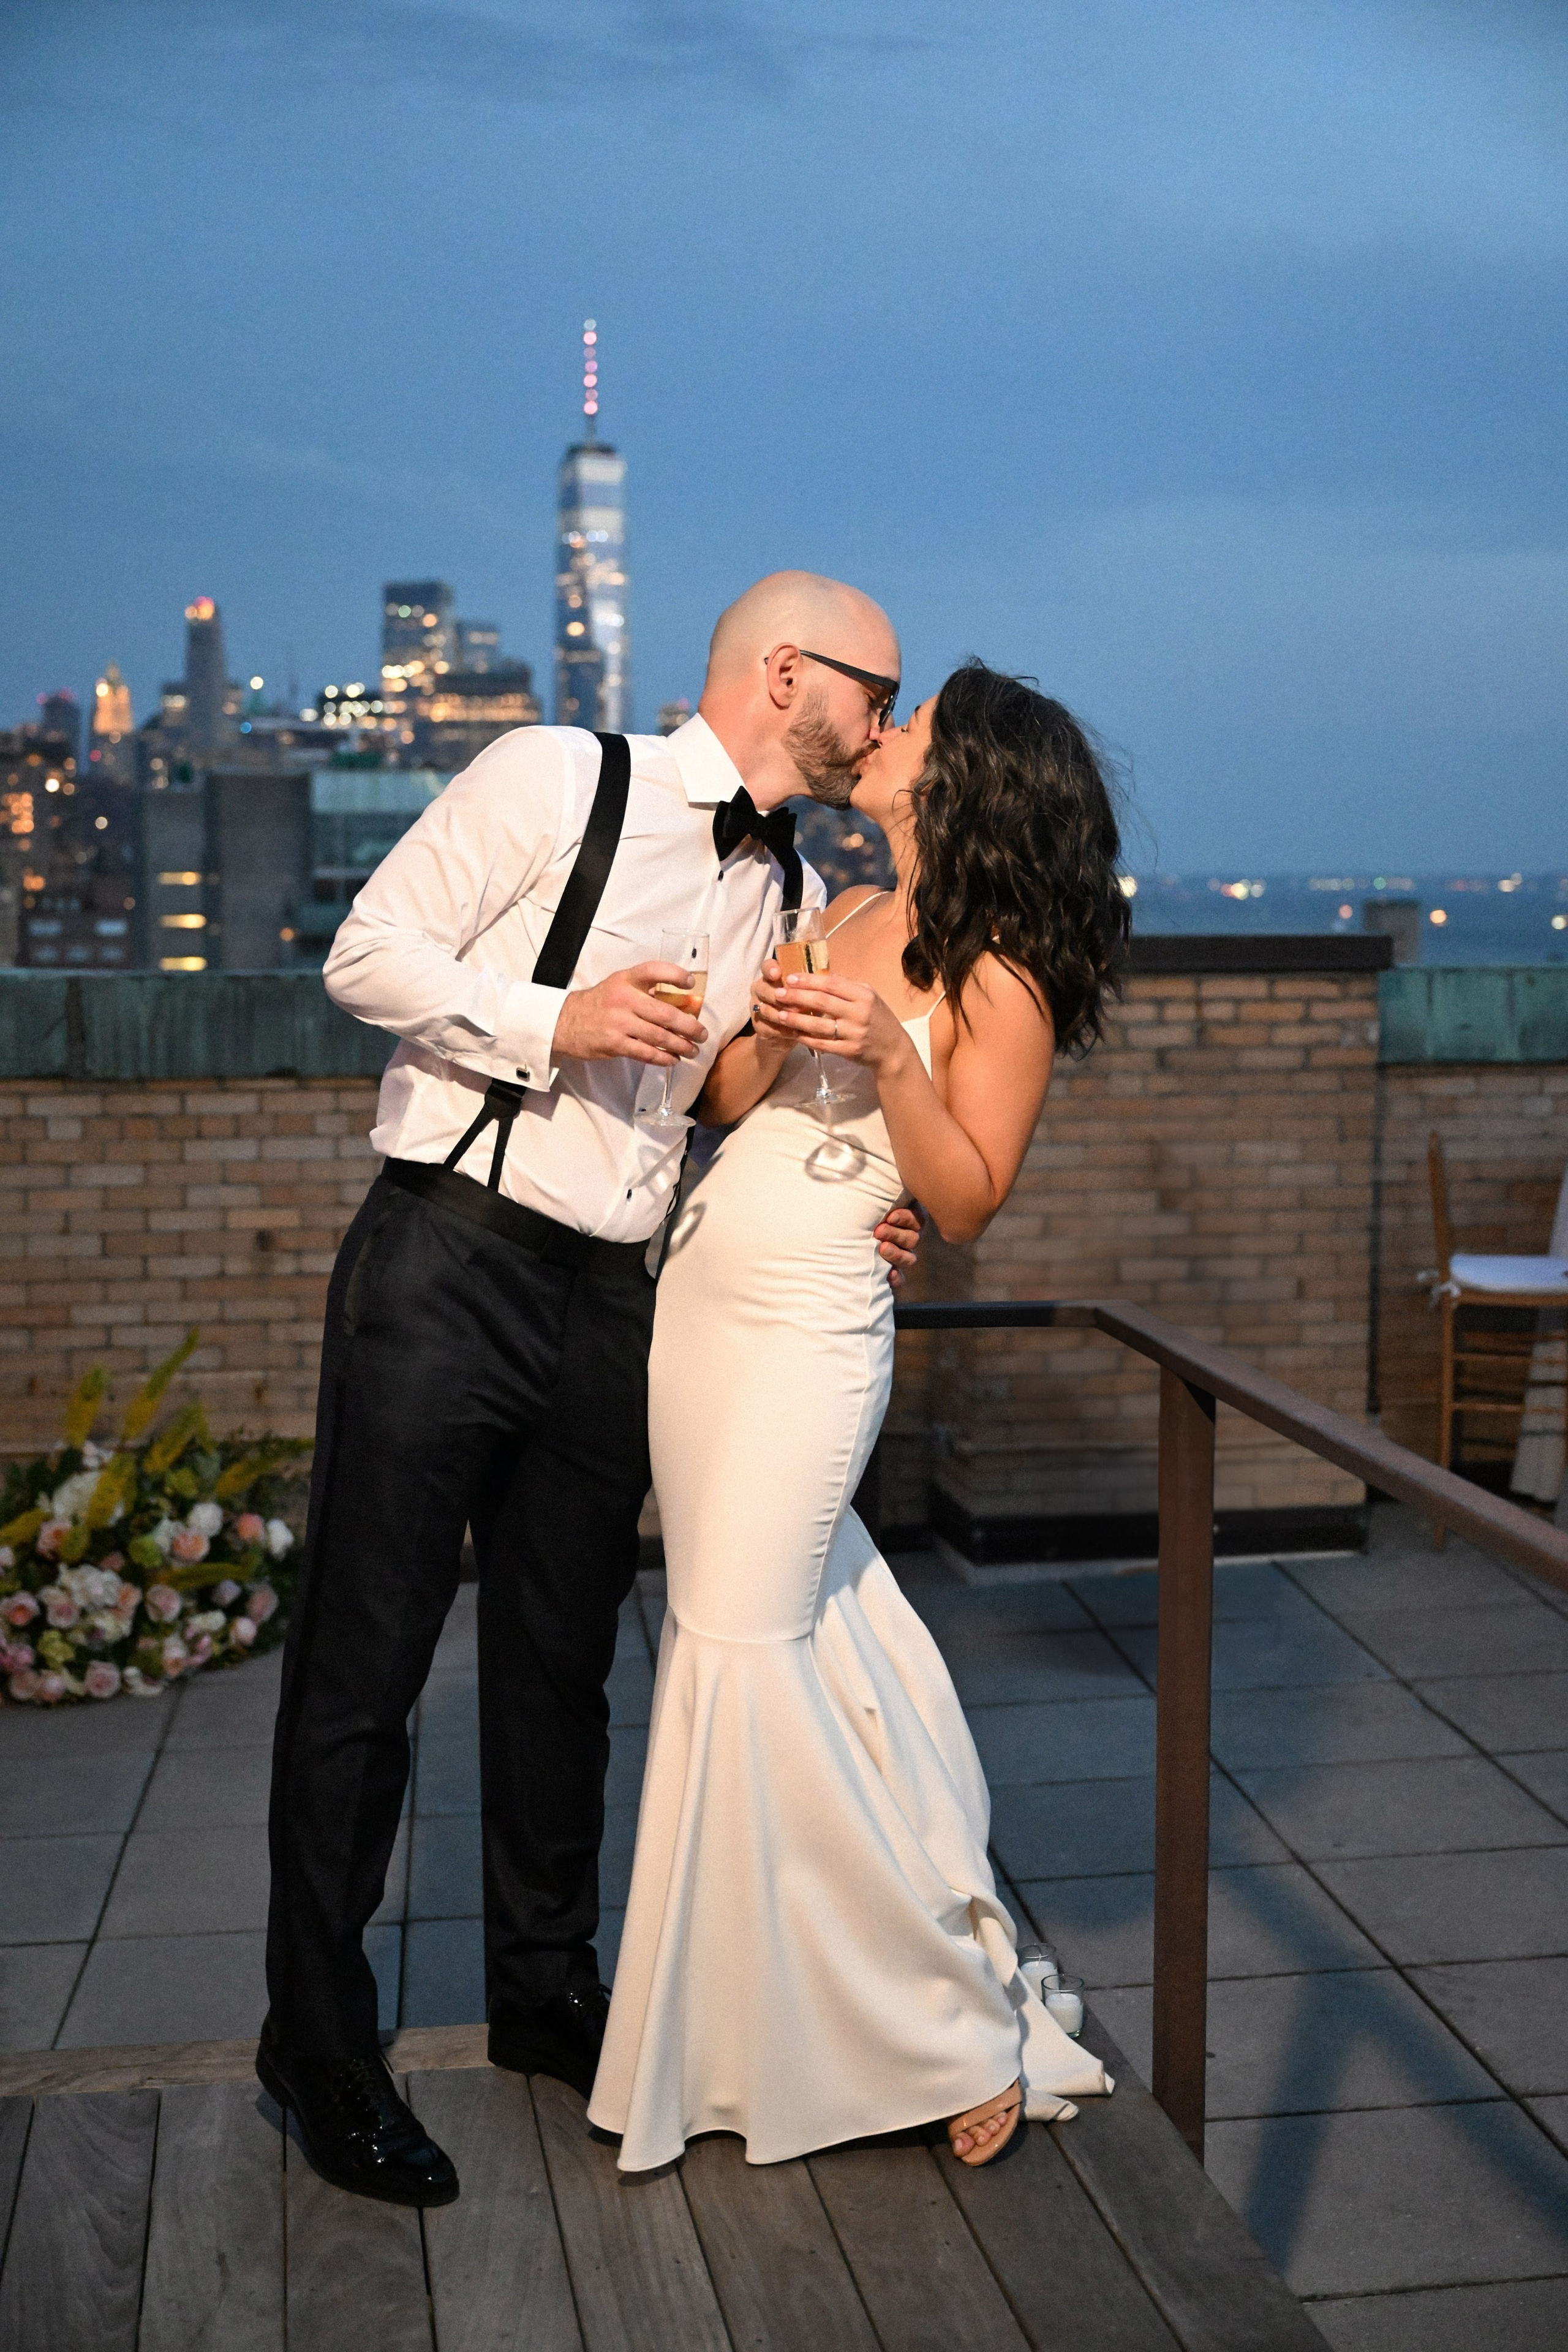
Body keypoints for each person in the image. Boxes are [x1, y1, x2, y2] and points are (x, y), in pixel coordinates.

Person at [260, 573, 924, 2206]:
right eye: (878, 689)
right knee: (367, 1664)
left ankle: (545, 1994)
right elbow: (366, 955)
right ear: (790, 676)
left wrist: (860, 1191)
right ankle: (320, 2045)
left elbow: (740, 1103)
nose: (891, 723)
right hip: (448, 1261)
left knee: (563, 1669)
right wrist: (563, 1017)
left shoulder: (786, 883)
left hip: (611, 1298)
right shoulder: (561, 777)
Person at [590, 660, 1130, 2171]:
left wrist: (889, 1054)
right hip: (705, 1302)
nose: (883, 736)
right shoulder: (835, 907)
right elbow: (735, 1102)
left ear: (969, 781)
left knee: (750, 1650)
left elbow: (961, 1200)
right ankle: (767, 2013)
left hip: (813, 1325)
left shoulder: (1001, 965)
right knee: (779, 1634)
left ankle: (938, 2015)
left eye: (917, 729)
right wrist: (761, 1029)